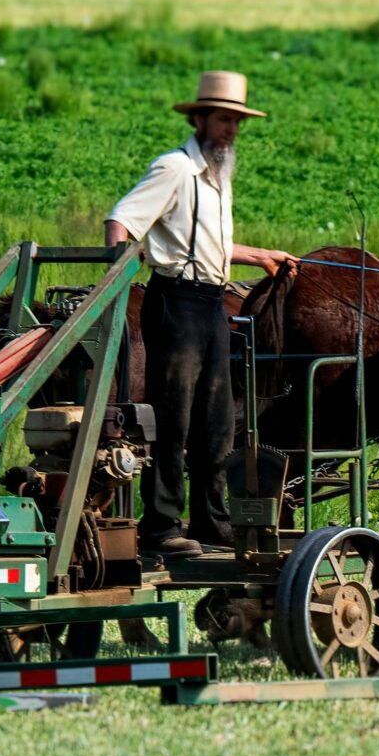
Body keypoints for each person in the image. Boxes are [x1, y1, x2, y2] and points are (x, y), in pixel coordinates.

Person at [104, 71, 296, 559]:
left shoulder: (217, 176)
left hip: (211, 303)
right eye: (223, 119)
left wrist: (259, 255)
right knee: (175, 417)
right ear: (199, 119)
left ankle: (212, 520)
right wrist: (117, 274)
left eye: (236, 121)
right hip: (177, 302)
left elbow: (208, 245)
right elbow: (121, 219)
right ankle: (161, 526)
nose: (231, 130)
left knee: (217, 419)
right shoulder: (174, 168)